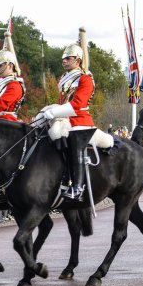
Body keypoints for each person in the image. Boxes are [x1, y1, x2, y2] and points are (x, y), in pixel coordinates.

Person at [37, 29, 99, 200]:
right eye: (63, 58)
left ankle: (77, 186)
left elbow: (78, 104)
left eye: (68, 58)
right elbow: (63, 101)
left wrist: (54, 112)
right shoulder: (64, 78)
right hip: (65, 118)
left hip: (81, 120)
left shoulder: (85, 78)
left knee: (74, 142)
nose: (64, 61)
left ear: (78, 60)